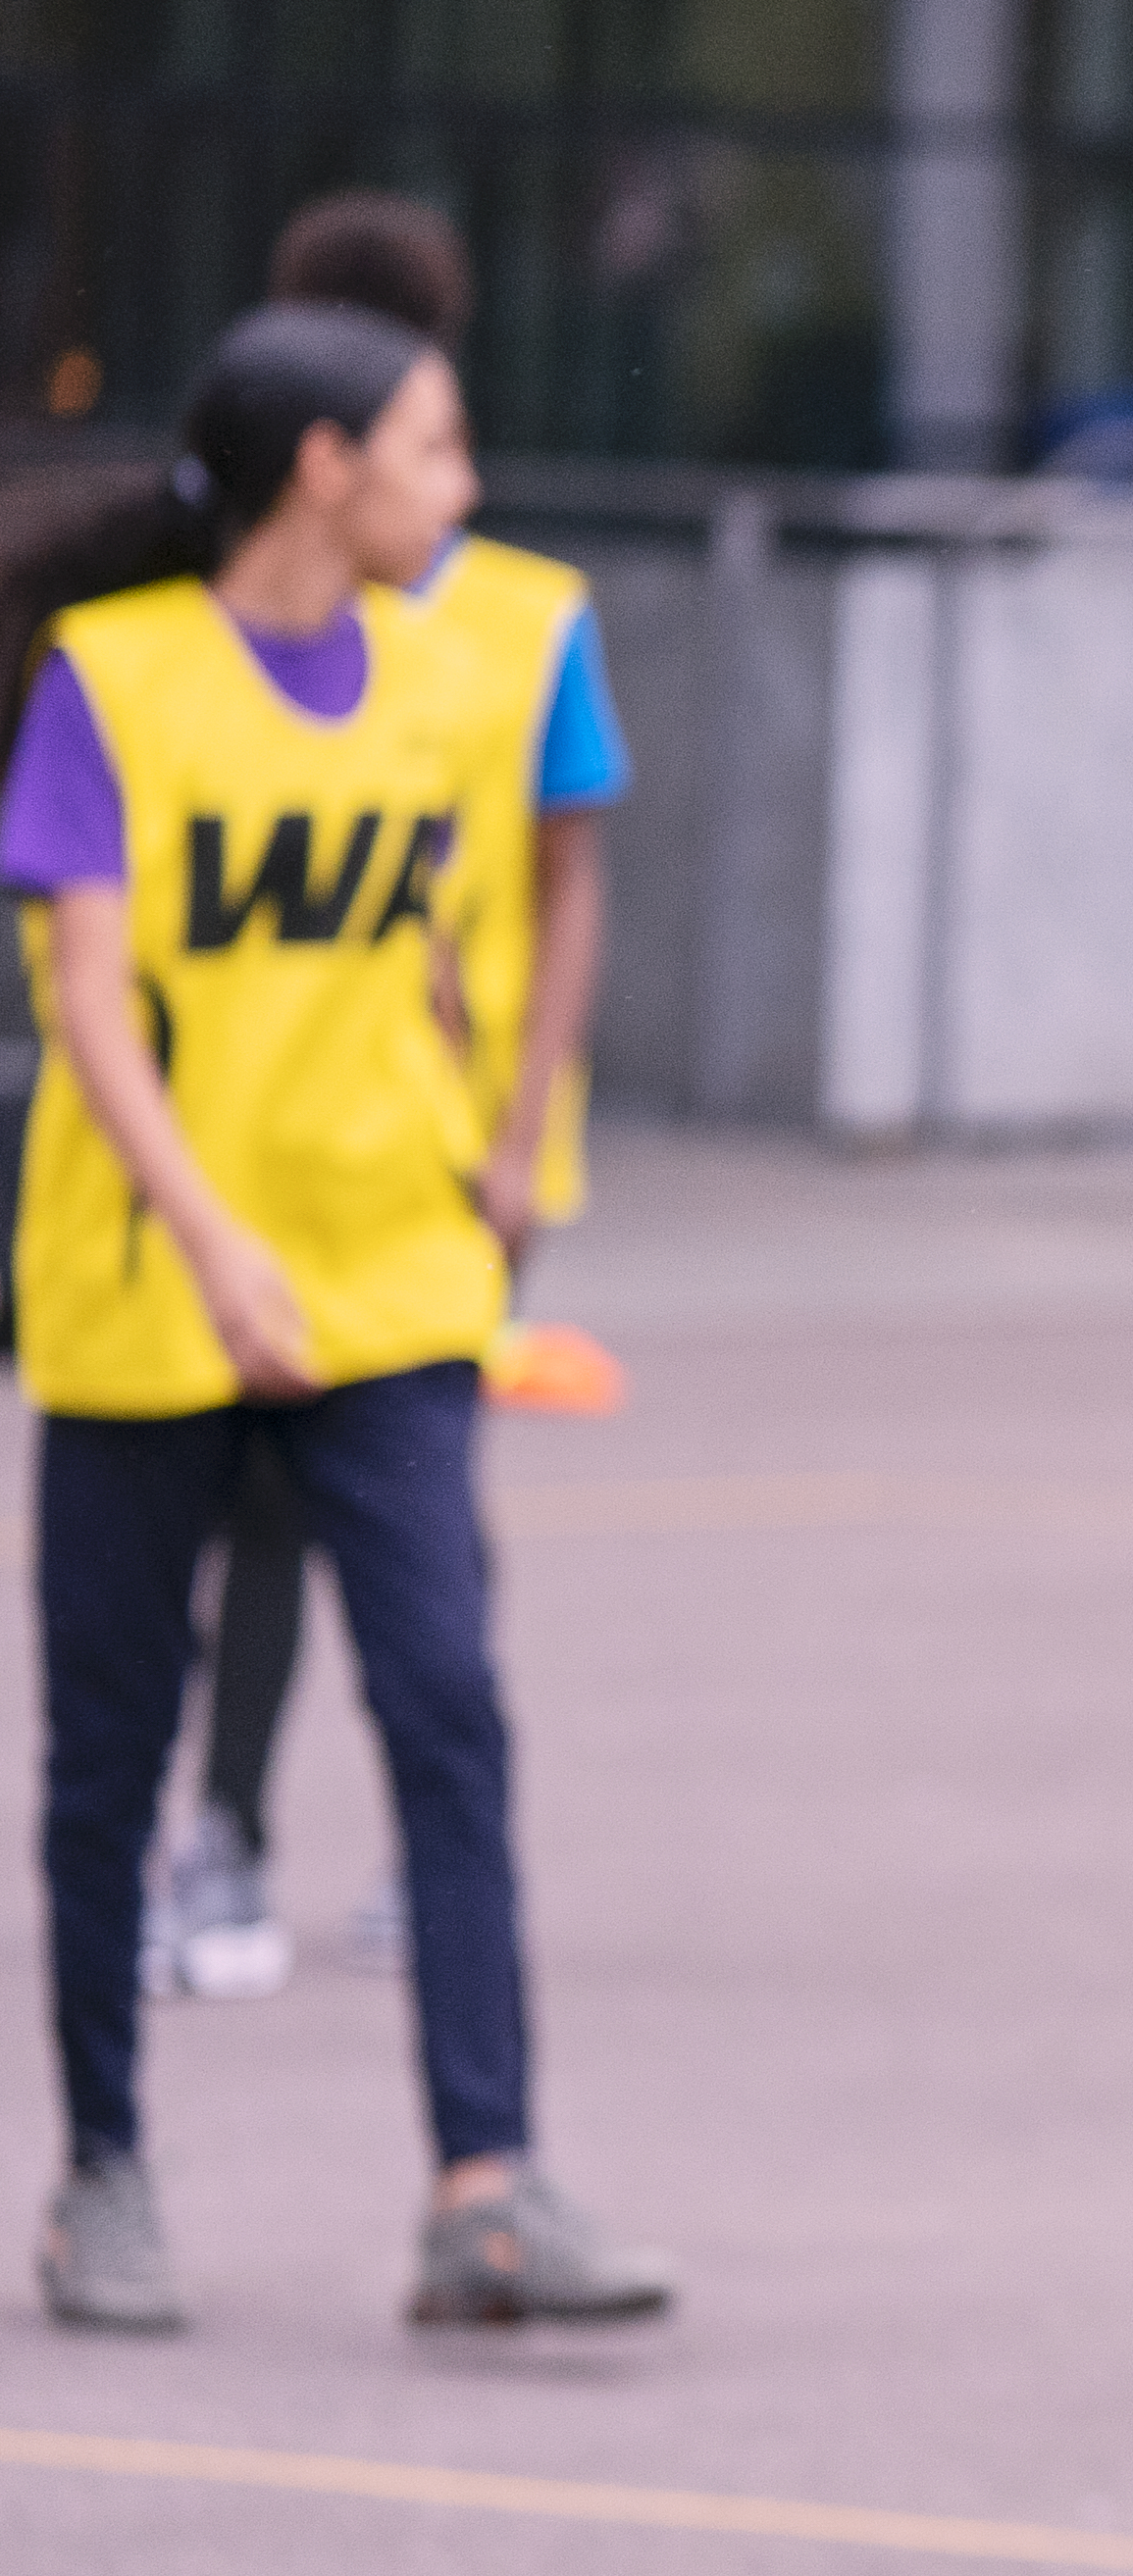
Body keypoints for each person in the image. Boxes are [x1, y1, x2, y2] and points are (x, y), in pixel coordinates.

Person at [9, 302, 671, 2332]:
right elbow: (90, 1007)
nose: (457, 493)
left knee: (449, 1708)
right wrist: (212, 1242)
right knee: (112, 1752)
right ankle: (107, 2165)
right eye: (434, 450)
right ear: (325, 466)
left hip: (387, 1280)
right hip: (153, 1291)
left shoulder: (457, 683)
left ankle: (487, 2179)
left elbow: (532, 907)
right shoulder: (110, 686)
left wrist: (507, 1141)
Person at [132, 192, 634, 2006]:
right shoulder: (176, 643)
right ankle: (234, 1833)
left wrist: (512, 1129)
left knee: (402, 1488)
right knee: (251, 1502)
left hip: (433, 1151)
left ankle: (403, 1835)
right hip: (233, 1141)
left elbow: (568, 877)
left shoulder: (514, 625)